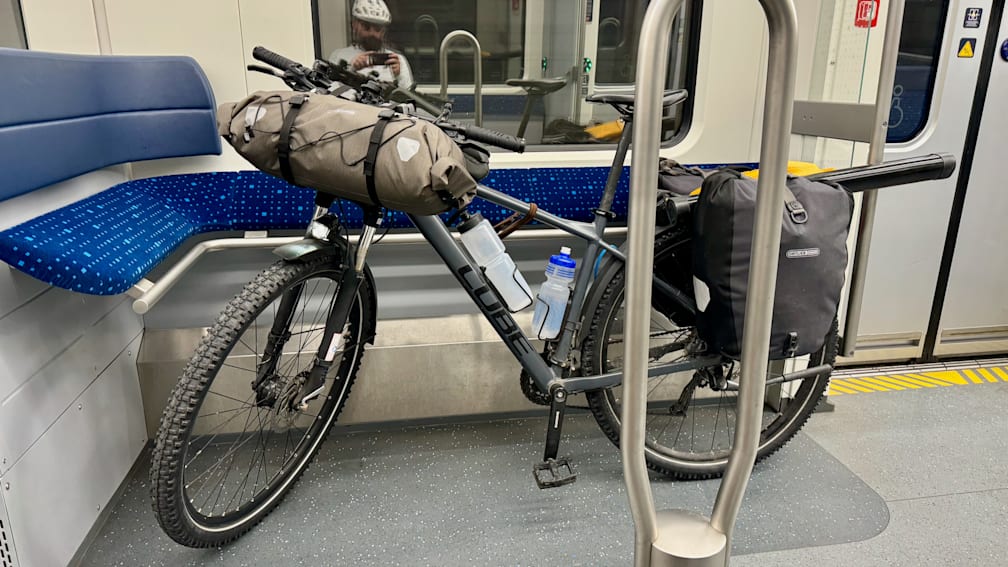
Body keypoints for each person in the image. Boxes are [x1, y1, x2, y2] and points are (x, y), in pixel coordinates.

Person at [329, 0, 414, 88]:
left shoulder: (397, 60)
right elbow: (330, 96)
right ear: (354, 25)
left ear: (384, 30)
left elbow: (410, 98)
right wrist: (351, 69)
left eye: (378, 28)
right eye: (366, 27)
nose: (372, 33)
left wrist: (398, 76)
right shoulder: (339, 56)